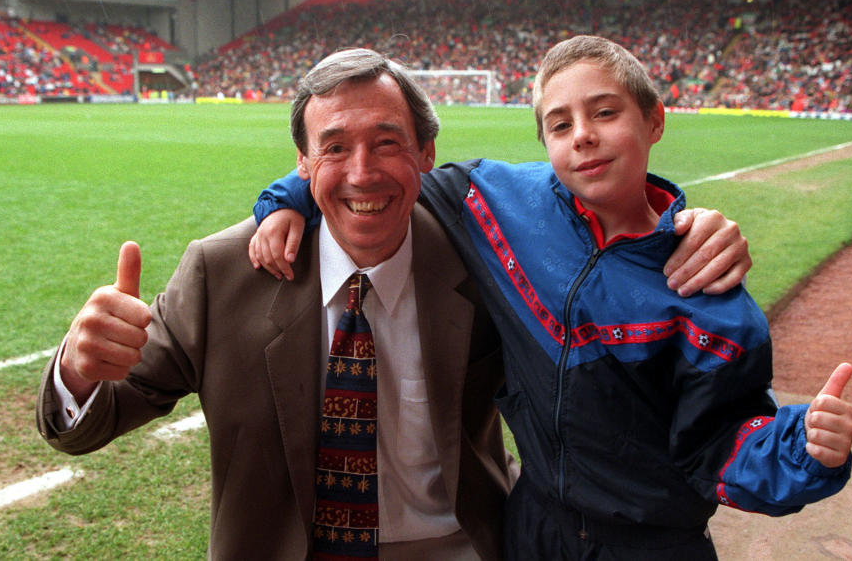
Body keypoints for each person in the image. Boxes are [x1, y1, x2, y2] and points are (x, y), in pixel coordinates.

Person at [249, 37, 852, 560]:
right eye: (560, 124)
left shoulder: (707, 293)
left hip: (651, 543)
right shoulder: (500, 204)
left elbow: (721, 442)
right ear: (543, 142)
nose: (584, 137)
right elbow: (373, 172)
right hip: (534, 527)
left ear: (654, 121)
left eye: (605, 113)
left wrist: (804, 452)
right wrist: (287, 200)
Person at [37, 49, 518, 560]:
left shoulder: (482, 257)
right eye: (335, 147)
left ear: (426, 152)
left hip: (457, 547)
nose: (362, 172)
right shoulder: (220, 274)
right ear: (303, 163)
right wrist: (80, 371)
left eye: (386, 143)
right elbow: (94, 419)